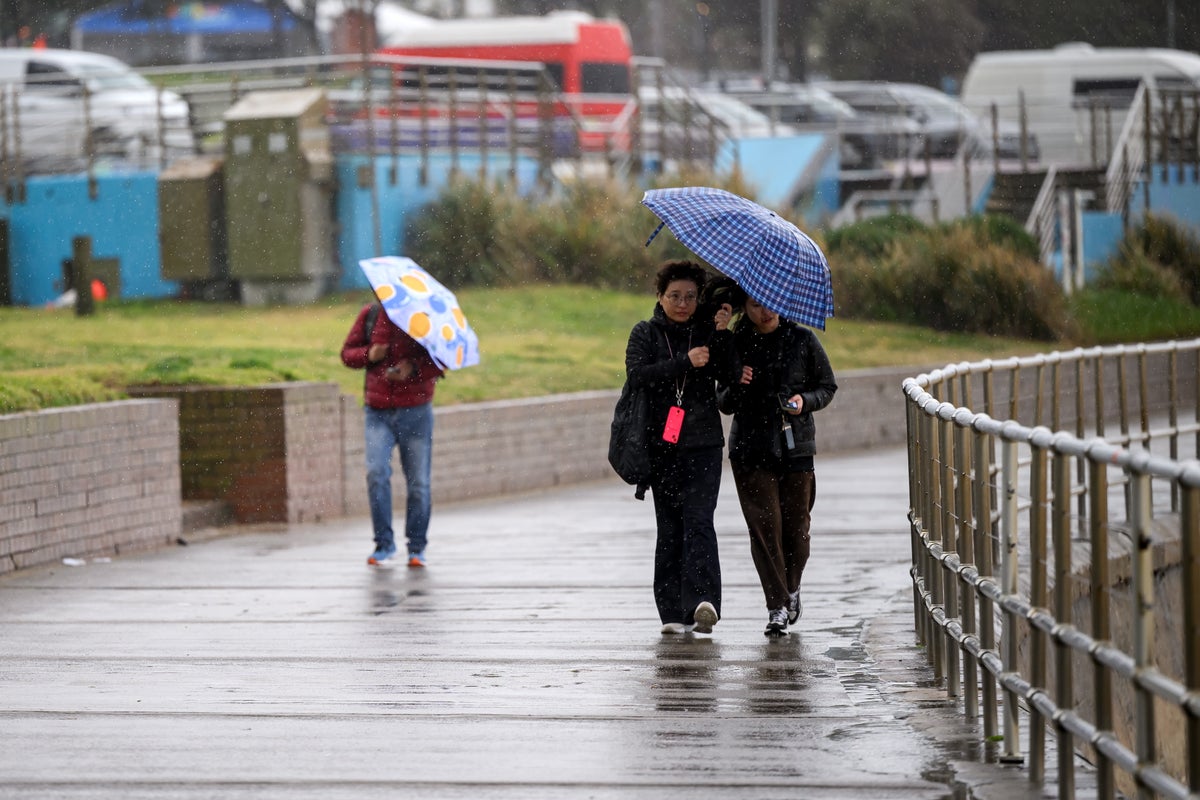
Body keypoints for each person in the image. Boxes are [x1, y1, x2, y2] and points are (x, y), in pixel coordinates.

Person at [624, 260, 734, 635]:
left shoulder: (706, 330)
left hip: (703, 444)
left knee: (700, 521)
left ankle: (704, 602)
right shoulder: (645, 333)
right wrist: (682, 363)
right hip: (662, 446)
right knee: (670, 527)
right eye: (675, 296)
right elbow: (638, 375)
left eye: (690, 296)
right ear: (659, 296)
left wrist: (720, 331)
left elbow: (732, 374)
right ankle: (671, 611)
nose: (683, 303)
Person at [718, 295, 838, 636]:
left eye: (770, 303)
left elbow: (827, 386)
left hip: (795, 446)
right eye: (755, 305)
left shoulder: (802, 339)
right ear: (745, 307)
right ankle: (777, 606)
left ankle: (792, 587)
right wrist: (737, 382)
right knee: (764, 528)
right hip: (750, 450)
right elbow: (723, 401)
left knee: (796, 530)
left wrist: (805, 401)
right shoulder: (736, 343)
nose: (764, 311)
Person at [341, 302, 444, 567]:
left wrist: (414, 368)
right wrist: (370, 355)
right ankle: (383, 544)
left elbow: (442, 361)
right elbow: (347, 354)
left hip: (416, 412)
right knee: (376, 473)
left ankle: (416, 547)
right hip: (378, 412)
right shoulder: (371, 315)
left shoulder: (427, 318)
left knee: (418, 483)